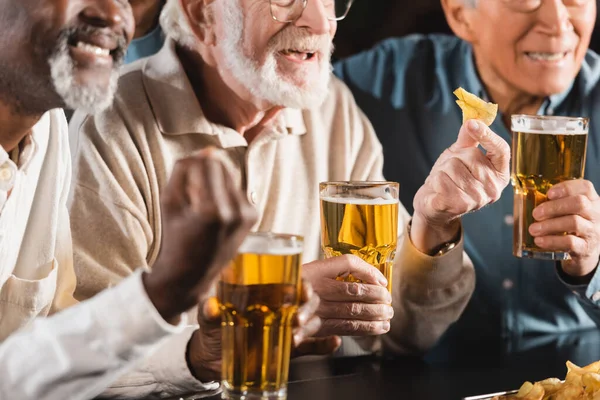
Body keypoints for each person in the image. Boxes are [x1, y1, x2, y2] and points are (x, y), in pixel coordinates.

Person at [69, 1, 512, 393]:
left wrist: (431, 226)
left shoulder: (333, 110)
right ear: (202, 14)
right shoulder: (111, 125)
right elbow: (78, 362)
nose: (322, 21)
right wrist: (204, 350)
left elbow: (402, 334)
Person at [0, 0, 321, 398]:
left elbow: (43, 360)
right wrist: (166, 290)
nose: (115, 17)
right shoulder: (100, 124)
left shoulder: (46, 132)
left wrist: (192, 343)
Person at [334, 0, 600, 353]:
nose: (556, 21)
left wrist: (592, 266)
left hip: (571, 373)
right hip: (416, 371)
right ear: (460, 14)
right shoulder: (387, 79)